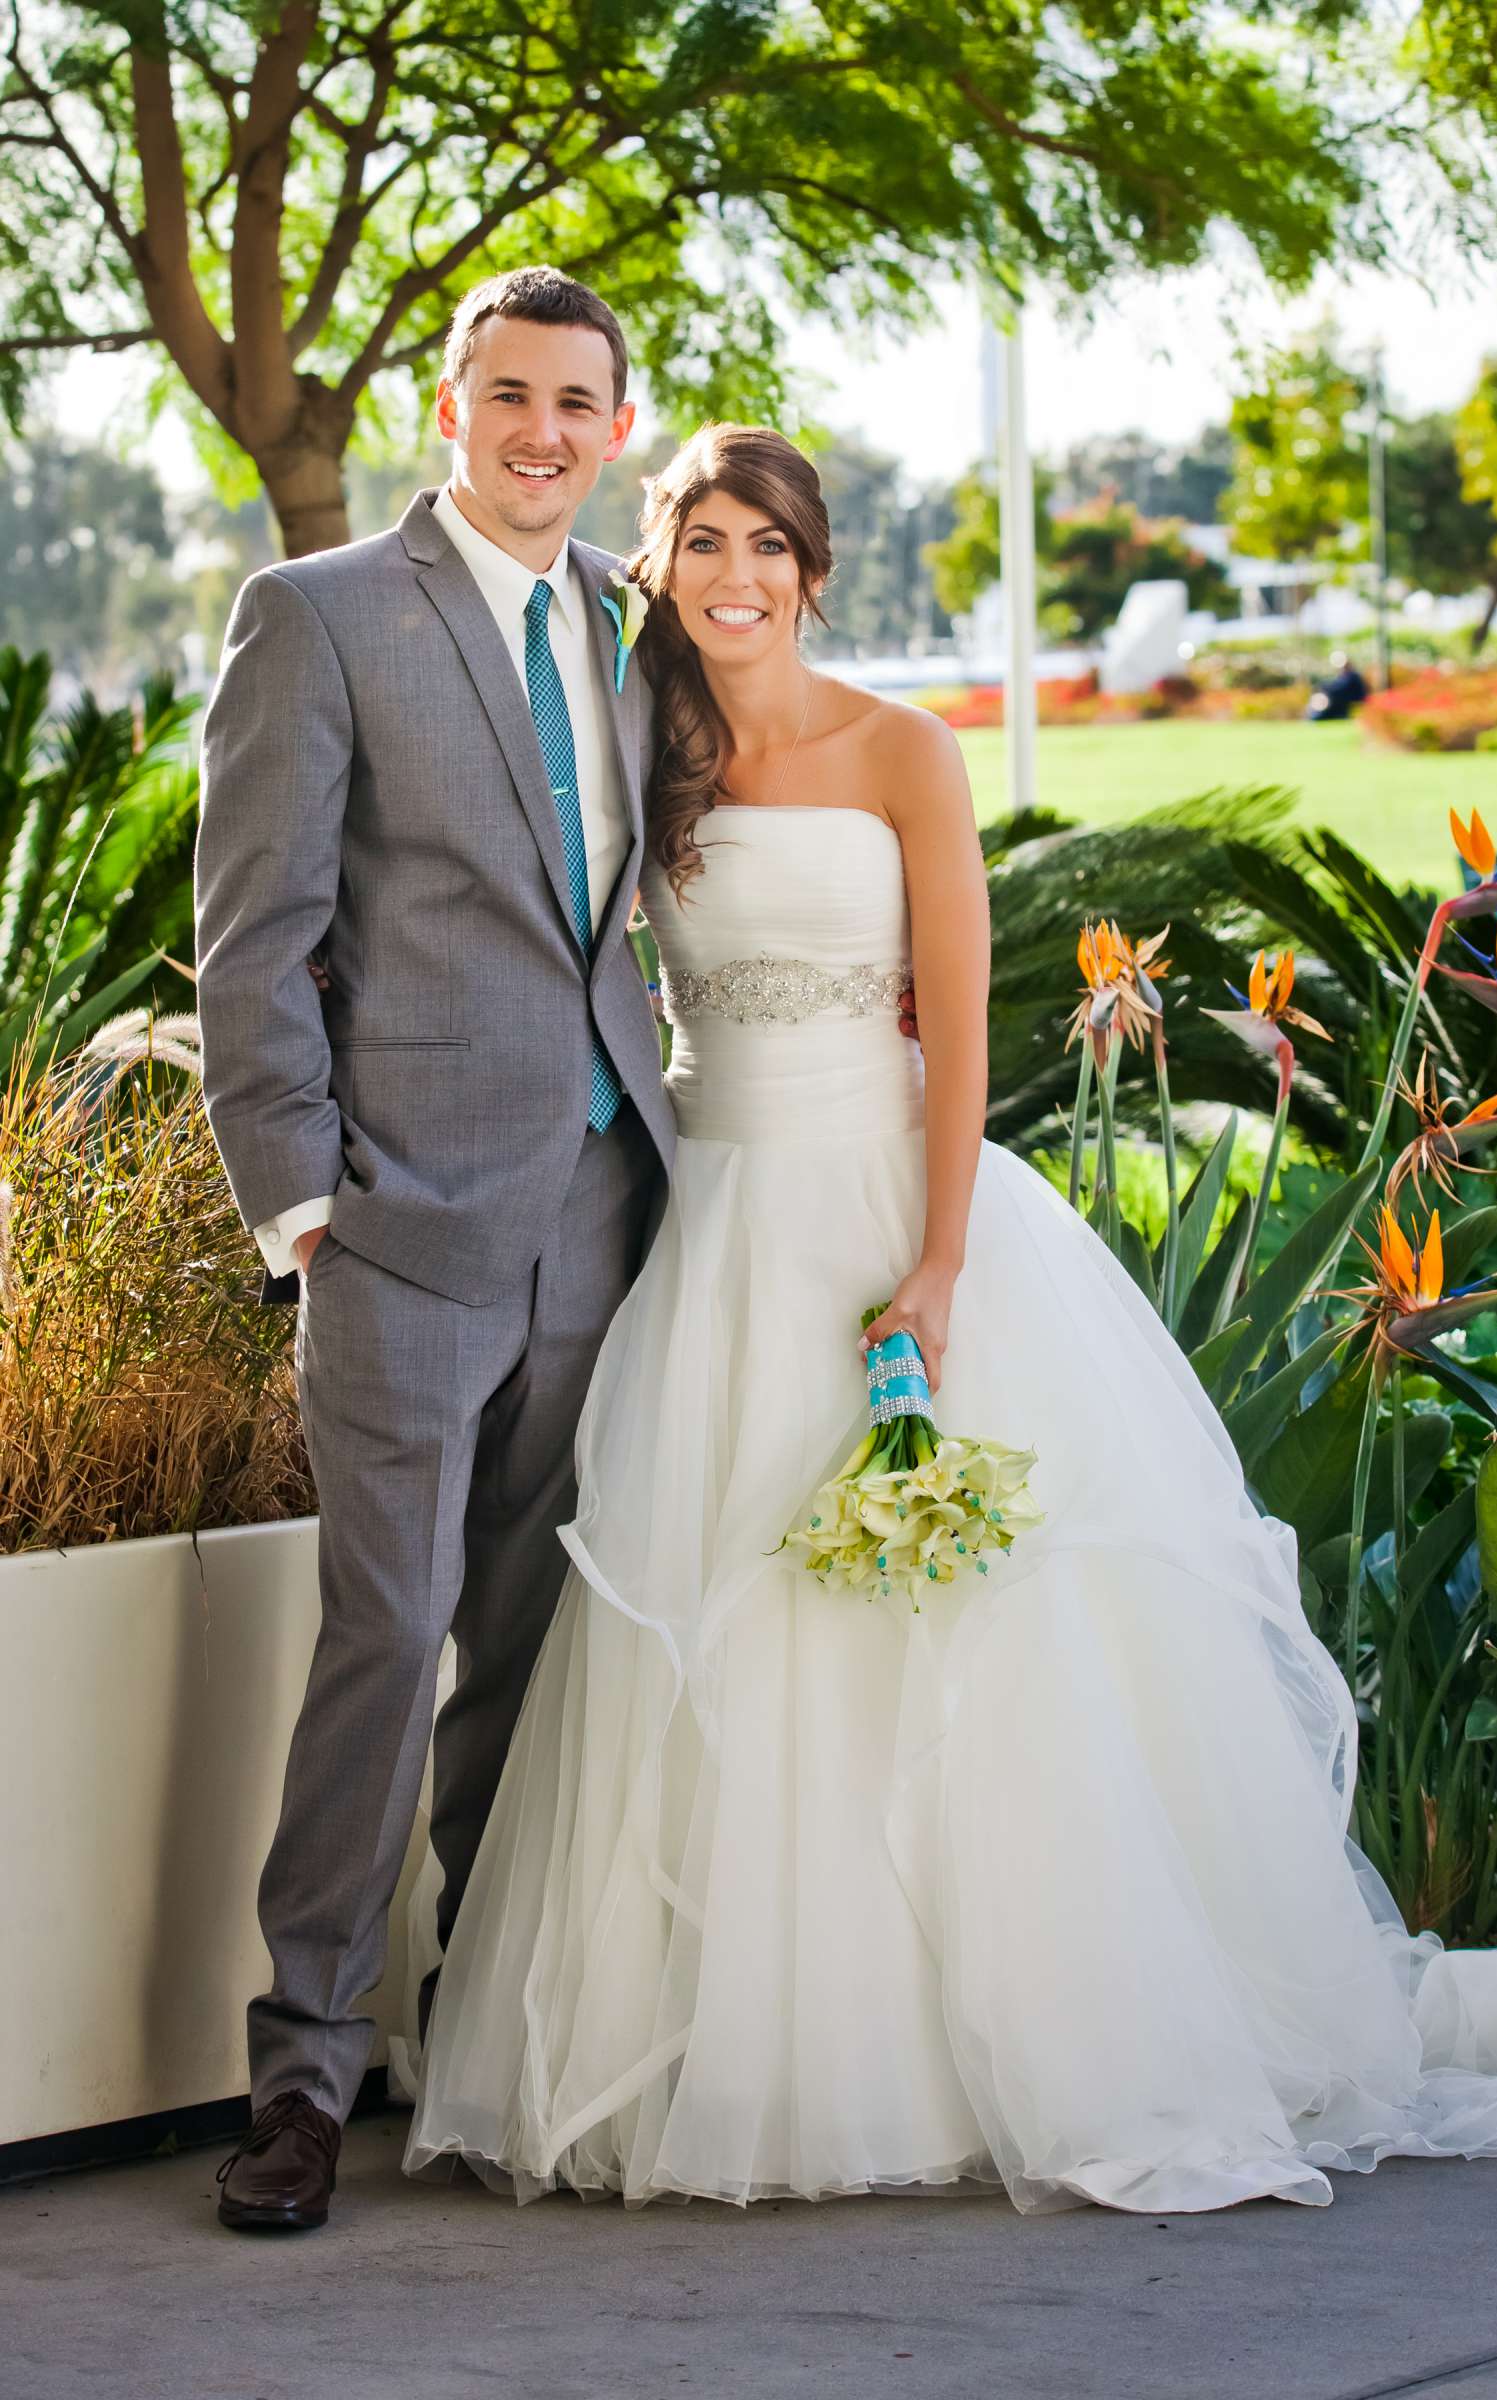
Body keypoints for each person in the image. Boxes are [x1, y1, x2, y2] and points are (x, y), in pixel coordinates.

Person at [404, 424, 1497, 2215]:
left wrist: (941, 1266)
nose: (737, 576)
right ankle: (766, 2054)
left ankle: (1011, 2040)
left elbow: (959, 1032)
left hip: (893, 1210)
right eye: (705, 543)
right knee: (731, 1615)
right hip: (713, 1227)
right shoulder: (637, 748)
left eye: (770, 545)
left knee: (960, 1639)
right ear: (663, 566)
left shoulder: (904, 751)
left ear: (814, 568)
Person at [194, 266, 676, 2232]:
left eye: (577, 401)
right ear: (448, 410)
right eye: (507, 394)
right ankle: (301, 2074)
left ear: (615, 426)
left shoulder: (623, 630)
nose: (540, 431)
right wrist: (299, 1195)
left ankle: (471, 2043)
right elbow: (253, 932)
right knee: (384, 1639)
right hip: (398, 1221)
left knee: (527, 1640)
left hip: (602, 1203)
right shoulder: (317, 620)